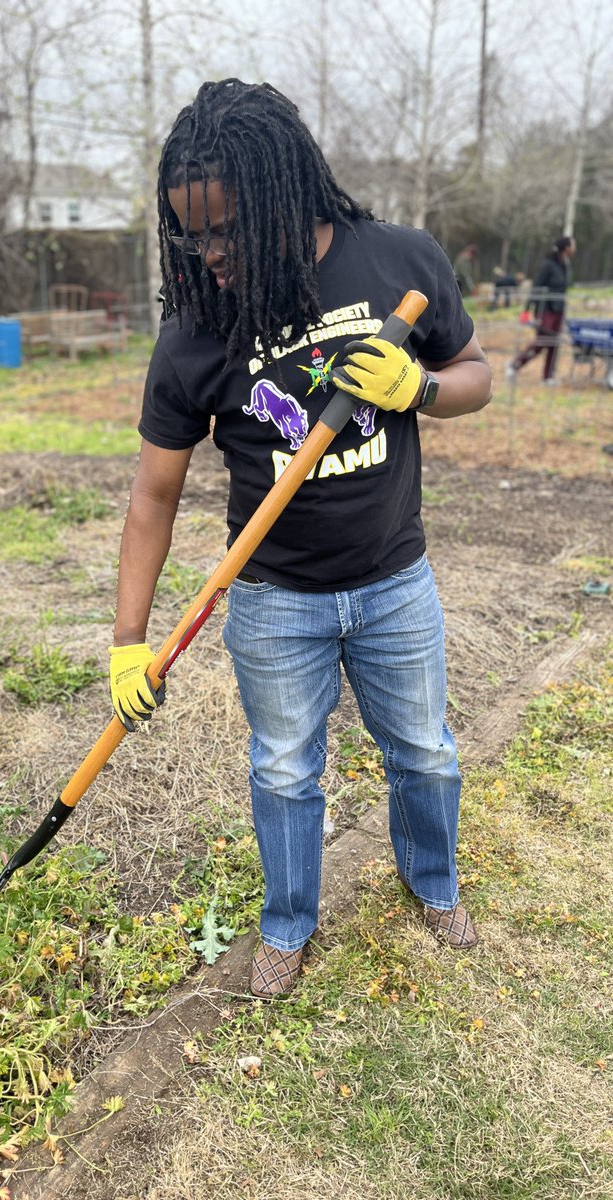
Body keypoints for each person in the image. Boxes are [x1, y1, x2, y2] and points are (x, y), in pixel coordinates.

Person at [108, 79, 493, 999]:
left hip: (395, 582)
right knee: (284, 771)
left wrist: (419, 390)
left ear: (284, 198)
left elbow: (475, 374)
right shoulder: (197, 325)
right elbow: (154, 495)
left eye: (226, 230)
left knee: (425, 751)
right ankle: (288, 925)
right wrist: (127, 642)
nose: (209, 255)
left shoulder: (398, 260)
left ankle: (433, 884)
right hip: (274, 600)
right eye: (190, 236)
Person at [507, 236, 576, 385]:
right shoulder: (548, 266)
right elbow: (536, 288)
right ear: (566, 248)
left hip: (559, 310)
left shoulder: (565, 265)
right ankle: (515, 365)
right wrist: (527, 310)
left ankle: (548, 377)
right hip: (545, 309)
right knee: (542, 341)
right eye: (573, 245)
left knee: (554, 343)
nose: (574, 248)